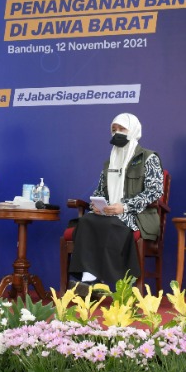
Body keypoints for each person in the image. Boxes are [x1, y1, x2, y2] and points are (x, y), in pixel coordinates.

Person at [67, 113, 164, 294]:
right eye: (114, 129)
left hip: (137, 215)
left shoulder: (149, 158)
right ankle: (89, 280)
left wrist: (125, 206)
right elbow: (100, 191)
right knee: (87, 221)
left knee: (112, 224)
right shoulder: (109, 162)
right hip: (109, 213)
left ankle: (116, 283)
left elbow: (155, 191)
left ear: (133, 130)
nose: (117, 133)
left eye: (122, 129)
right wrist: (95, 204)